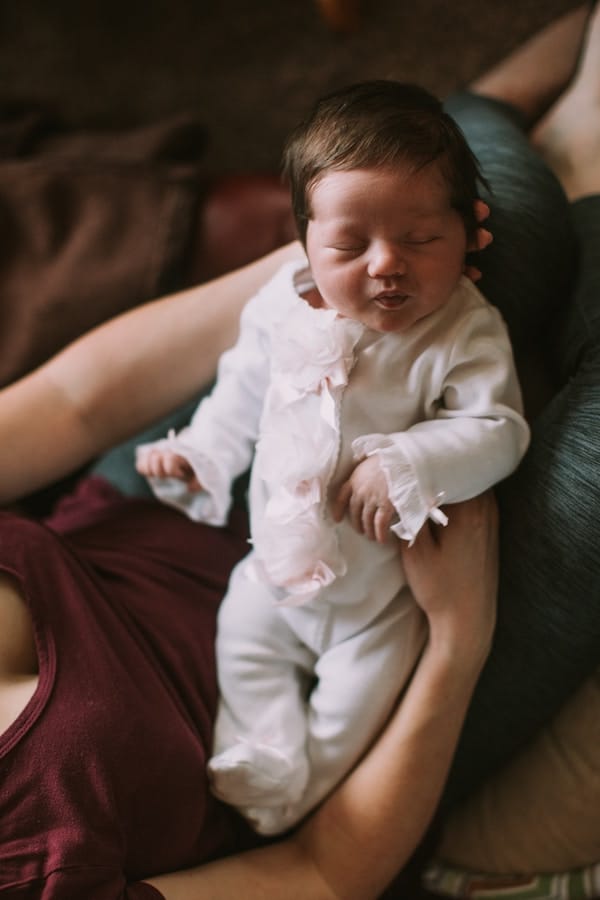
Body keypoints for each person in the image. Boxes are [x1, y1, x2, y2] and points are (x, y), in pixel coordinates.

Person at [0, 4, 598, 898]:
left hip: (172, 518)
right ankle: (570, 160)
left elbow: (87, 400)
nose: (388, 262)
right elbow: (321, 874)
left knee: (509, 226)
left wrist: (332, 268)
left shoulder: (384, 301)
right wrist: (459, 639)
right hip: (390, 643)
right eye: (343, 244)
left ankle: (516, 109)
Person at [135, 80, 529, 836]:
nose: (388, 265)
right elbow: (239, 389)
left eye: (422, 239)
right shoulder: (278, 304)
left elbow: (498, 428)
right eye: (350, 245)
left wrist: (412, 460)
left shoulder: (462, 330)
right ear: (306, 240)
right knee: (242, 647)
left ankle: (296, 794)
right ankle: (263, 758)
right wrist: (202, 452)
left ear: (470, 232)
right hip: (275, 571)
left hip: (380, 601)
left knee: (355, 707)